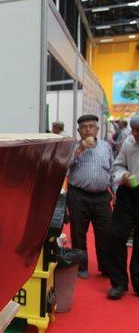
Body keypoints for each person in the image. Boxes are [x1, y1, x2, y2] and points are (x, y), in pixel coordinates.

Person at [66, 114, 114, 279]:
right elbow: (64, 166)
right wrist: (79, 150)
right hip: (78, 195)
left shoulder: (106, 147)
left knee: (105, 233)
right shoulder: (73, 146)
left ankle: (106, 267)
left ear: (97, 129)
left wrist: (114, 192)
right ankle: (81, 267)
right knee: (78, 233)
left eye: (91, 126)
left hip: (102, 197)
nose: (88, 130)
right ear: (79, 131)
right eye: (84, 127)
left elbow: (112, 170)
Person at [107, 115, 139, 299]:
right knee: (116, 235)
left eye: (137, 131)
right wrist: (124, 175)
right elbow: (117, 166)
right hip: (128, 193)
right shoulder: (129, 142)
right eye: (133, 130)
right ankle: (119, 283)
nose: (133, 134)